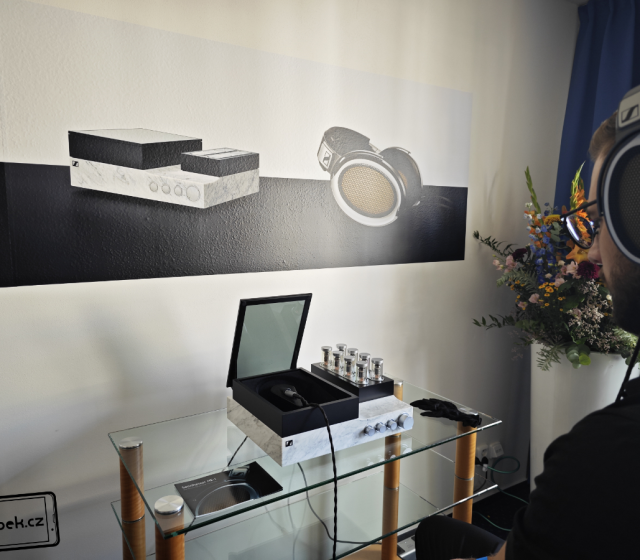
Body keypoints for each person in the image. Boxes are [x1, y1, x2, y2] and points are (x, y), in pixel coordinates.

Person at [415, 109, 640, 560]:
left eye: (601, 222)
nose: (593, 252)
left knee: (433, 536)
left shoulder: (604, 456)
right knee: (434, 530)